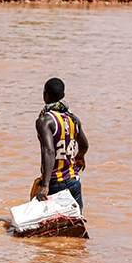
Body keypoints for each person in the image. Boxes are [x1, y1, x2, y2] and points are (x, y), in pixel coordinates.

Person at [33, 78, 89, 210]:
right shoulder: (73, 119)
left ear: (45, 95)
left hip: (55, 183)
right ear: (62, 96)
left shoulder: (45, 121)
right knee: (75, 225)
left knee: (48, 228)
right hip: (73, 181)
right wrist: (80, 157)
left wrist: (45, 185)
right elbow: (85, 145)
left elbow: (49, 151)